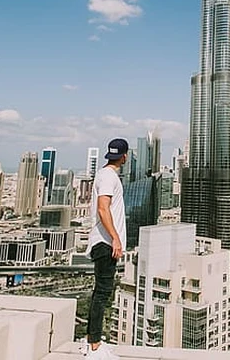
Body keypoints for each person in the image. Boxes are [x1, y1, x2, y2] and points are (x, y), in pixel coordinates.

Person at [83, 137, 129, 358]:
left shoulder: (104, 174)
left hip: (103, 241)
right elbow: (103, 209)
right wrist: (115, 238)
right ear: (124, 156)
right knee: (102, 293)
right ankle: (93, 347)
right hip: (104, 243)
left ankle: (93, 341)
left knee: (100, 293)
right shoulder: (109, 177)